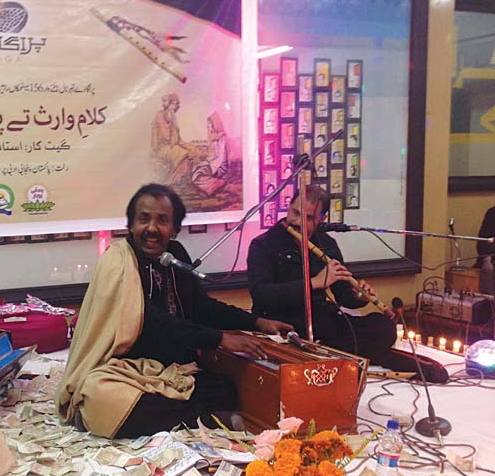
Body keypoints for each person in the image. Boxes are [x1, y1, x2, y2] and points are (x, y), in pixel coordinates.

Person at [56, 184, 292, 438]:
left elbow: (202, 307)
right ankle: (200, 418)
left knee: (225, 389)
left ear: (175, 229)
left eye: (162, 221)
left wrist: (257, 322)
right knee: (100, 397)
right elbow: (152, 322)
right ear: (131, 225)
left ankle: (190, 417)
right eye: (143, 219)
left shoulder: (175, 254)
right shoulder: (118, 262)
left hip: (173, 370)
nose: (152, 229)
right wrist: (221, 338)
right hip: (124, 369)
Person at [246, 185, 396, 362]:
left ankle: (325, 355)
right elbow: (262, 295)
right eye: (295, 213)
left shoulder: (327, 244)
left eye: (308, 218)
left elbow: (343, 295)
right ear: (289, 208)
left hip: (321, 322)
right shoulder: (263, 245)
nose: (298, 222)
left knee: (383, 327)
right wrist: (314, 283)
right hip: (283, 323)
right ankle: (329, 357)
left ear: (321, 219)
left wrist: (360, 296)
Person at [477, 206, 495, 294]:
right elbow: (481, 244)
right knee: (488, 268)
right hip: (491, 256)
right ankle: (488, 304)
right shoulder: (492, 213)